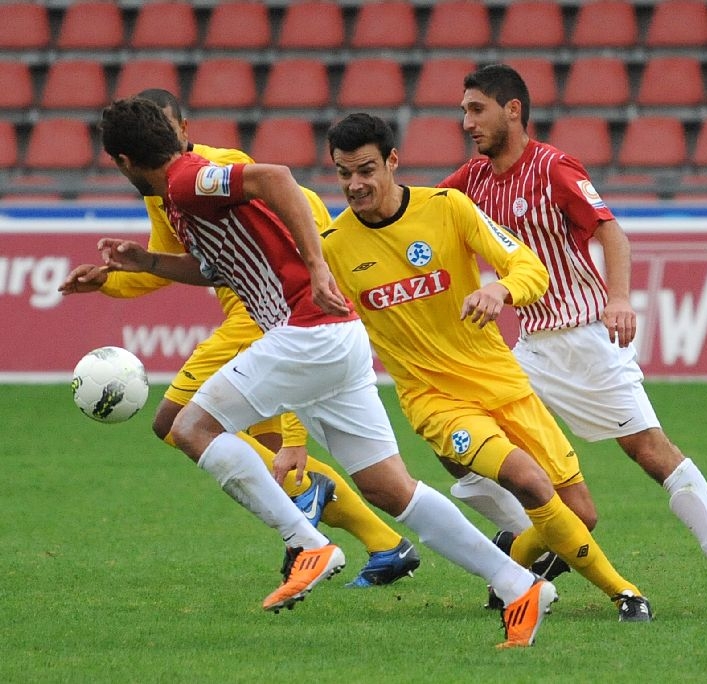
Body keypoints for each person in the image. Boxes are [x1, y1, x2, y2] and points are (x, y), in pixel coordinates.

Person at [93, 96, 555, 649]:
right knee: (390, 489)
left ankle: (304, 542)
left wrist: (316, 265)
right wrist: (147, 262)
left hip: (305, 331)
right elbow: (221, 265)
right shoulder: (181, 194)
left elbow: (276, 178)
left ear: (123, 160)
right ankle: (518, 584)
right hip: (334, 338)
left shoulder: (187, 180)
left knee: (188, 427)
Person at [59, 89, 420, 589]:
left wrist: (296, 433)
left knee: (177, 423)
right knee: (259, 446)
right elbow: (174, 263)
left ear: (182, 128)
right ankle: (384, 544)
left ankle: (309, 510)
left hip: (277, 315)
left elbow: (295, 211)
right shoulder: (163, 189)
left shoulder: (214, 169)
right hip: (261, 314)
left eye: (166, 127)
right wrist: (110, 279)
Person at [438, 64, 707, 617]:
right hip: (530, 349)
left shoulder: (554, 167)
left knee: (651, 453)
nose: (466, 122)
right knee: (458, 440)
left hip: (587, 340)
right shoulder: (472, 180)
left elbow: (611, 231)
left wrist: (619, 298)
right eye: (464, 110)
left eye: (476, 109)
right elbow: (419, 212)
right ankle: (536, 540)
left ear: (512, 110)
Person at [319, 112, 652, 623]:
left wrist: (501, 289)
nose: (355, 185)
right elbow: (307, 330)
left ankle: (510, 567)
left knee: (581, 514)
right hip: (436, 402)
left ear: (392, 161)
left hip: (501, 382)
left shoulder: (447, 208)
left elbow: (530, 267)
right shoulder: (333, 247)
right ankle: (625, 593)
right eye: (344, 174)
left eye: (366, 170)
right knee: (528, 480)